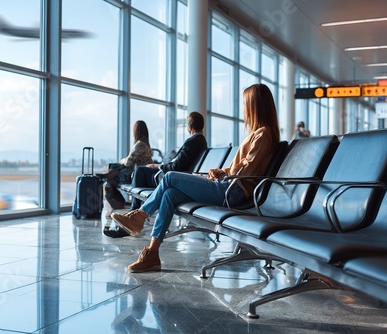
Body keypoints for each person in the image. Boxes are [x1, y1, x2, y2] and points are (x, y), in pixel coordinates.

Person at [111, 83, 280, 273]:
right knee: (169, 195)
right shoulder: (256, 134)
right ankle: (152, 253)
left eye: (245, 104)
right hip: (229, 185)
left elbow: (248, 169)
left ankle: (140, 216)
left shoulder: (262, 135)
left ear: (254, 106)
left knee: (170, 177)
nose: (243, 108)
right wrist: (221, 171)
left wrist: (224, 175)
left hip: (233, 192)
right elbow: (241, 165)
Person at [129, 111, 208, 211]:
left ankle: (134, 210)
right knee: (142, 171)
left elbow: (176, 166)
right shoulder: (201, 141)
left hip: (170, 178)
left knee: (140, 171)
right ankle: (136, 211)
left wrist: (158, 166)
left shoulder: (193, 142)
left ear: (189, 126)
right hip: (177, 175)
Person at [103, 120, 153, 212]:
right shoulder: (145, 145)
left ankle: (117, 206)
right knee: (109, 180)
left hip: (137, 177)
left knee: (108, 183)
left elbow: (128, 162)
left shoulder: (140, 145)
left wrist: (122, 160)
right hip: (138, 175)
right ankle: (108, 175)